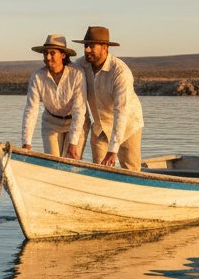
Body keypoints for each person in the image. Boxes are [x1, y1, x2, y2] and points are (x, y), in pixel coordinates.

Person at [74, 25, 144, 170]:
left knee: (131, 169)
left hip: (128, 125)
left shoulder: (120, 72)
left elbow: (121, 112)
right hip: (100, 127)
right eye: (86, 46)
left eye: (92, 46)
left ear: (105, 47)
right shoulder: (80, 65)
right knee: (99, 170)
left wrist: (112, 150)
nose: (87, 50)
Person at [21, 34, 86, 158]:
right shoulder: (37, 76)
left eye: (52, 53)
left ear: (63, 55)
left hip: (74, 121)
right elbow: (31, 109)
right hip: (51, 122)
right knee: (53, 160)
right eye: (45, 53)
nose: (48, 57)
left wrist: (73, 143)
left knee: (72, 162)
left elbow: (79, 110)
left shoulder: (77, 74)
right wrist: (26, 143)